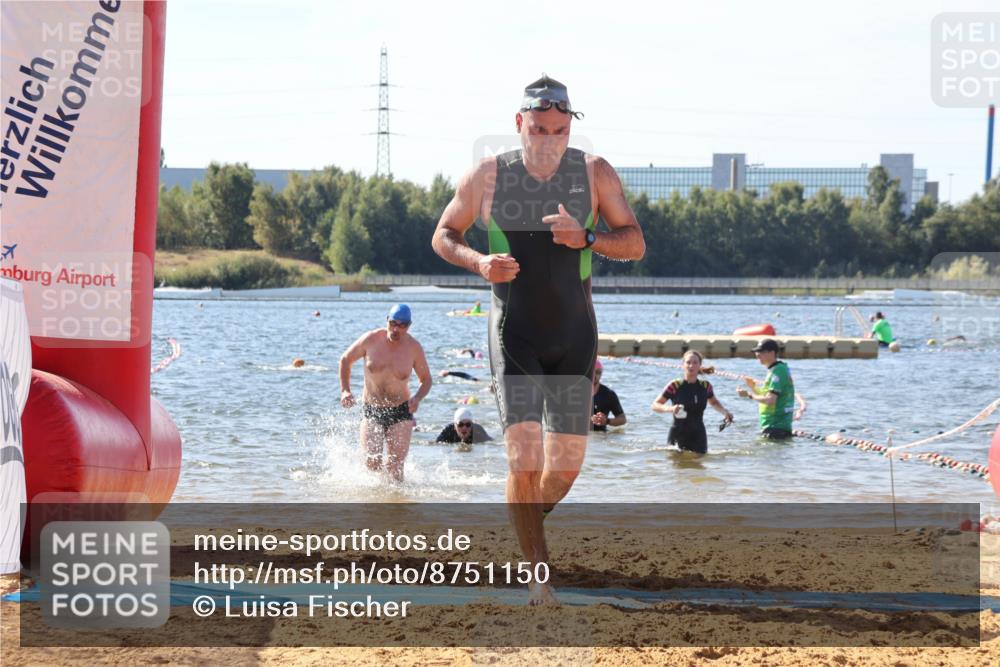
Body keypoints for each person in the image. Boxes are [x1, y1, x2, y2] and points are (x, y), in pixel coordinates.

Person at [431, 74, 645, 605]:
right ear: (519, 123)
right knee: (523, 459)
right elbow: (443, 234)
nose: (549, 140)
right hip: (514, 333)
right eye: (539, 128)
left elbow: (636, 243)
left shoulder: (594, 174)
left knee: (564, 469)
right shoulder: (488, 175)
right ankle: (538, 577)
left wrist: (588, 237)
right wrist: (480, 261)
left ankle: (522, 518)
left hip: (575, 337)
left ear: (570, 127)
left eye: (559, 129)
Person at [339, 304, 432, 482]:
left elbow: (426, 380)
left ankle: (396, 506)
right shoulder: (370, 340)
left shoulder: (413, 348)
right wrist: (345, 391)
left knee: (395, 467)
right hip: (372, 409)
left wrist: (418, 398)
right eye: (393, 323)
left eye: (402, 325)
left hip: (401, 411)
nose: (396, 329)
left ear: (409, 326)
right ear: (386, 320)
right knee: (372, 461)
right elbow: (345, 360)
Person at [651, 350, 733, 454]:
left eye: (695, 363)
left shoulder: (705, 386)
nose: (691, 366)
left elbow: (714, 402)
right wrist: (670, 409)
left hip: (699, 435)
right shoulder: (675, 385)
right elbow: (655, 405)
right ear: (683, 365)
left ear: (700, 365)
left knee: (699, 467)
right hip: (678, 433)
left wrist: (725, 412)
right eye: (688, 362)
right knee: (676, 469)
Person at [736, 339, 795, 439]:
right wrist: (752, 386)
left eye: (761, 352)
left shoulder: (778, 371)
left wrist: (749, 395)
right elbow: (766, 396)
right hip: (774, 427)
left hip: (776, 427)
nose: (757, 355)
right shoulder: (776, 369)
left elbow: (770, 400)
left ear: (772, 353)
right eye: (756, 352)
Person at [591, 360, 626, 432]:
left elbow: (622, 419)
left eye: (598, 372)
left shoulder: (609, 394)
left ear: (601, 374)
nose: (594, 375)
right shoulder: (576, 392)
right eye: (592, 372)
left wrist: (607, 421)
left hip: (601, 436)